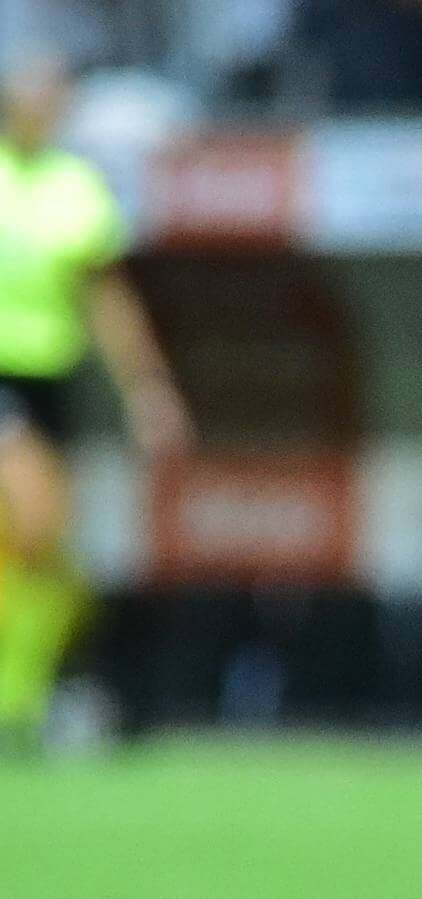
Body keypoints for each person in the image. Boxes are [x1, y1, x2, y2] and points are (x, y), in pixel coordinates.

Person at [0, 54, 189, 749]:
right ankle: (20, 697)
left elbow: (107, 298)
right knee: (33, 521)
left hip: (47, 381)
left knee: (42, 544)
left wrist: (148, 389)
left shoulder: (75, 188)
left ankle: (30, 692)